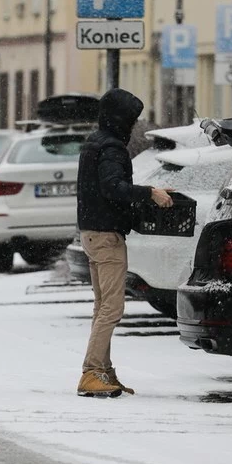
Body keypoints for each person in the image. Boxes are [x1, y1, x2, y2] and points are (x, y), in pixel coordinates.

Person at [75, 89, 173, 397]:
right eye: (131, 120)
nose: (132, 127)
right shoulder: (113, 148)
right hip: (106, 237)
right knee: (113, 308)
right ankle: (91, 372)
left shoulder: (94, 142)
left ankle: (103, 372)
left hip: (91, 233)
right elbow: (113, 187)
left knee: (102, 306)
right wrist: (149, 193)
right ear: (122, 120)